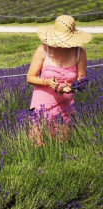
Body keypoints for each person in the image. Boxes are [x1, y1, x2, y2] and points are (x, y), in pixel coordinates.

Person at [27, 15, 92, 146]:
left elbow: (82, 79)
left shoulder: (79, 52)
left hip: (65, 103)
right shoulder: (43, 50)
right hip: (43, 102)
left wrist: (72, 87)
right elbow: (30, 77)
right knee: (39, 141)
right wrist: (47, 82)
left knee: (63, 143)